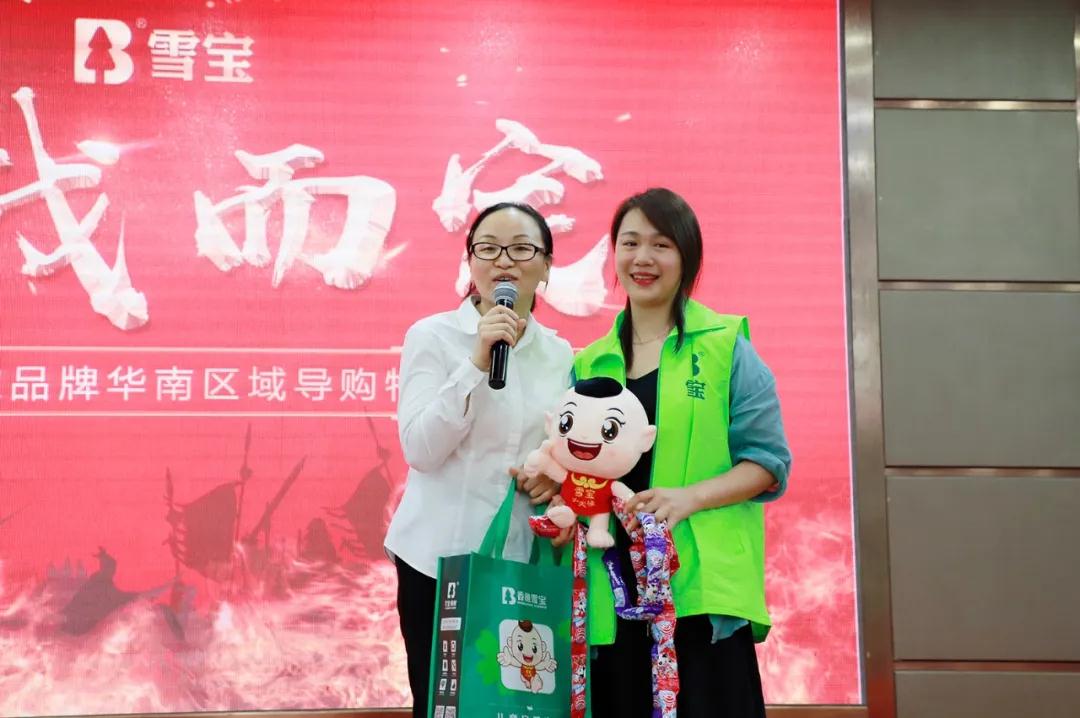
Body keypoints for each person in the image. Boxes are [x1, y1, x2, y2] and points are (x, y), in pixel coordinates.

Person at [573, 188, 792, 717]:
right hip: (613, 594)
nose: (642, 258)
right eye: (630, 243)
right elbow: (577, 471)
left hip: (698, 592)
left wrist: (688, 498)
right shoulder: (588, 363)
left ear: (687, 258)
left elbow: (768, 463)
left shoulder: (726, 345)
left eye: (661, 244)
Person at [384, 202, 573, 718]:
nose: (503, 261)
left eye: (521, 249)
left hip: (518, 568)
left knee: (516, 706)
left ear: (546, 266)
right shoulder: (432, 336)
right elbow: (420, 450)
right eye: (488, 249)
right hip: (437, 563)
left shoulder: (560, 355)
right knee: (445, 708)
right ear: (470, 261)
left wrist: (553, 481)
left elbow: (560, 450)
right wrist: (475, 363)